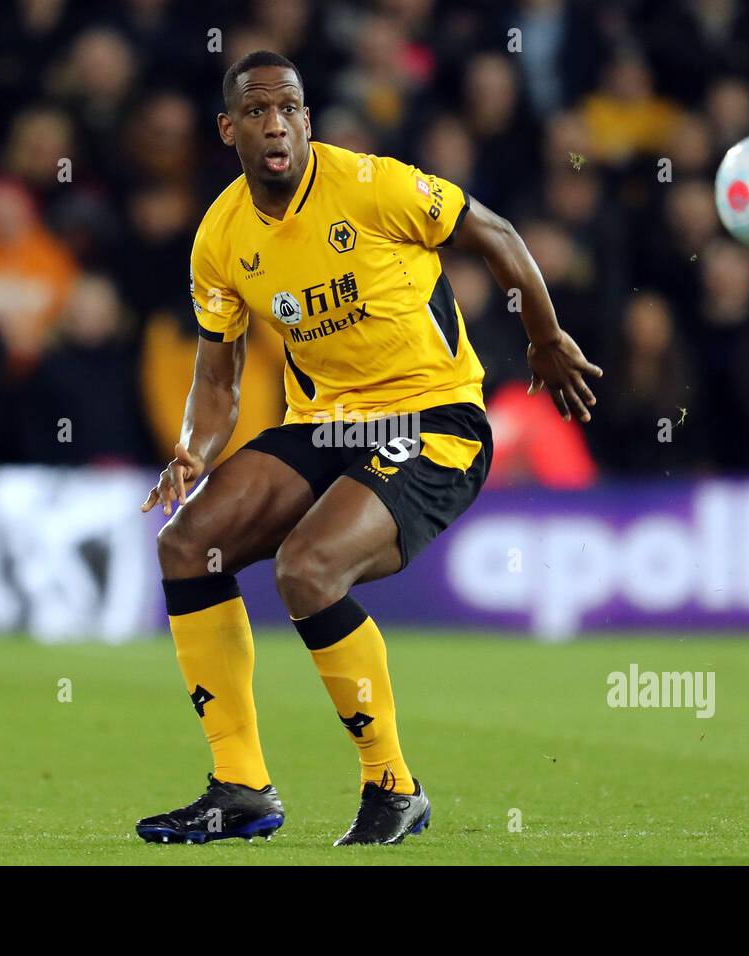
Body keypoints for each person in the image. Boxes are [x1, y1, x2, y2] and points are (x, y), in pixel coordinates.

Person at [135, 51, 602, 847]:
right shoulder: (220, 238)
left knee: (308, 570)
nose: (275, 121)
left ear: (308, 120)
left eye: (289, 106)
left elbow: (494, 229)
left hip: (432, 420)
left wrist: (545, 335)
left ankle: (394, 786)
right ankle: (240, 787)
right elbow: (219, 377)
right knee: (187, 545)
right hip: (326, 425)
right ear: (229, 129)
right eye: (256, 110)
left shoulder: (371, 184)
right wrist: (192, 449)